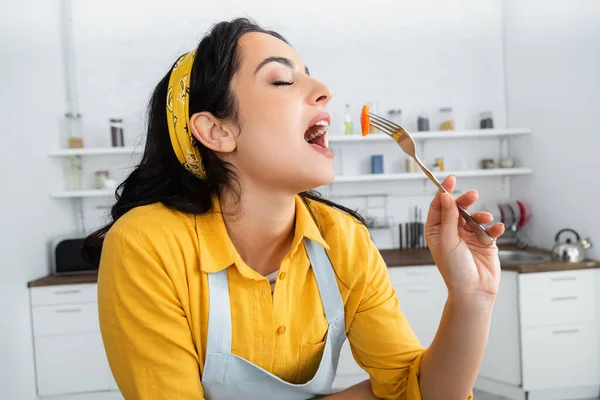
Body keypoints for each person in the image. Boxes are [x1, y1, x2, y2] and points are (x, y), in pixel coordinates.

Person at [84, 18, 505, 400]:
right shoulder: (147, 244)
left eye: (308, 74)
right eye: (282, 80)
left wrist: (472, 298)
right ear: (216, 130)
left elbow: (418, 392)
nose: (324, 90)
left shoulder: (343, 238)